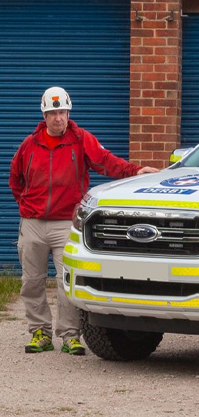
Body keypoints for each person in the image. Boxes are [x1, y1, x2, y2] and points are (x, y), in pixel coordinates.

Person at [9, 86, 159, 355]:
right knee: (32, 280)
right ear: (44, 115)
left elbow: (106, 162)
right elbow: (15, 179)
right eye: (53, 113)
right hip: (32, 223)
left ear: (69, 112)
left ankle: (69, 335)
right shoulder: (29, 145)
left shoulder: (81, 140)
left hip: (65, 223)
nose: (58, 118)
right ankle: (39, 333)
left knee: (67, 281)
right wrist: (26, 205)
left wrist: (136, 171)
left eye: (63, 112)